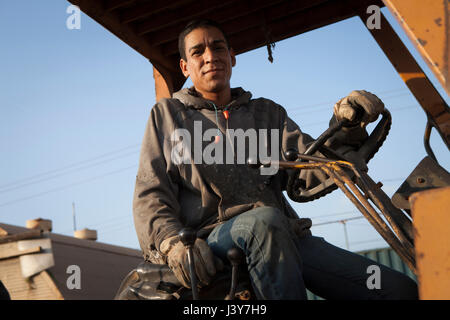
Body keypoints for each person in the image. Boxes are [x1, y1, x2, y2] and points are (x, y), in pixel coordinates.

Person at [133, 19, 418, 300]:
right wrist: (173, 245)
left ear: (232, 57)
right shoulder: (168, 116)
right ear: (185, 66)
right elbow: (151, 193)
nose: (210, 57)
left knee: (397, 290)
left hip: (283, 235)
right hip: (211, 239)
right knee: (263, 221)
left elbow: (308, 167)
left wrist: (348, 127)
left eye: (218, 48)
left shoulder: (266, 114)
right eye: (198, 52)